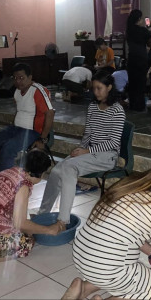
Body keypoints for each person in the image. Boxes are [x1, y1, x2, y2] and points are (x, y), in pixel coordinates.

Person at [62, 159, 151, 300]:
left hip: (82, 254)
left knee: (114, 271)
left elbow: (127, 235)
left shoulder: (129, 187)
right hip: (104, 265)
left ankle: (82, 290)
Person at [39, 69, 125, 225]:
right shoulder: (93, 107)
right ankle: (42, 214)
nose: (96, 92)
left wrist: (87, 151)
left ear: (109, 87)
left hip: (107, 156)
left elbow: (113, 143)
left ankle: (63, 221)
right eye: (94, 88)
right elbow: (88, 134)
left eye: (99, 88)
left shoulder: (117, 110)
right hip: (90, 153)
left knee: (69, 167)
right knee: (57, 170)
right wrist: (80, 149)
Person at [0, 63, 54, 177]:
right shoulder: (17, 91)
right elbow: (19, 111)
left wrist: (42, 139)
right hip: (15, 129)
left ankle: (3, 180)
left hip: (32, 132)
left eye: (21, 78)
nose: (18, 81)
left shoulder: (38, 90)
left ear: (30, 77)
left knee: (8, 148)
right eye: (15, 78)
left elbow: (50, 113)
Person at [126, 10, 151, 111]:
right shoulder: (142, 30)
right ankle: (140, 106)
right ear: (138, 19)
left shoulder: (128, 29)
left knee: (133, 83)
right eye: (141, 18)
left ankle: (132, 105)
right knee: (141, 83)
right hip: (141, 59)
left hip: (132, 59)